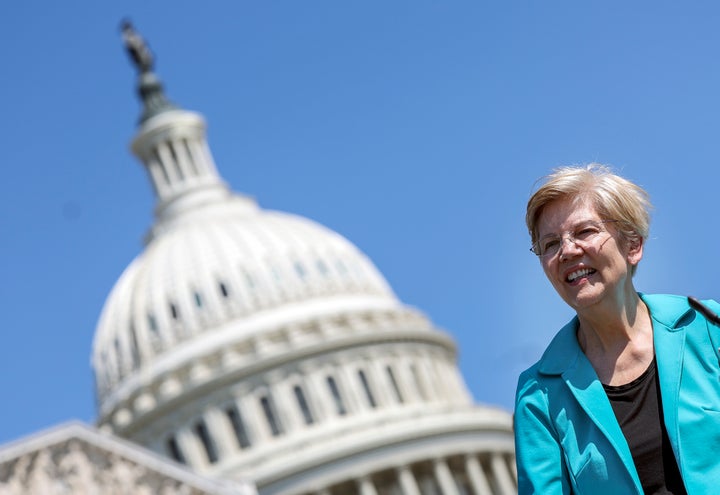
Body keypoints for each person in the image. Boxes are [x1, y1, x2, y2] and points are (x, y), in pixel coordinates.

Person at [514, 163, 720, 494]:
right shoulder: (539, 396)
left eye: (584, 232)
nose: (567, 250)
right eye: (550, 244)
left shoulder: (708, 328)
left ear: (633, 245)